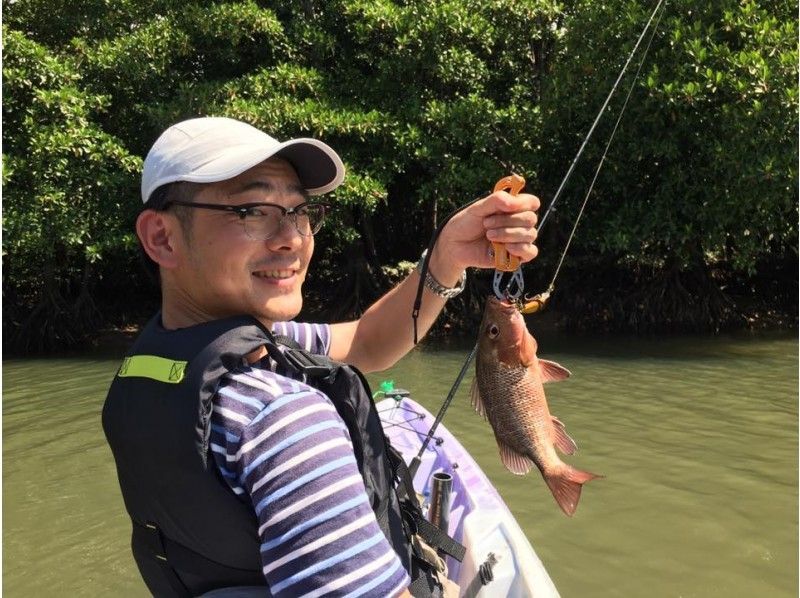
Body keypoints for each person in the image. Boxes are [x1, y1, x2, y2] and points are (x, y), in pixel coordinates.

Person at [102, 116, 539, 598]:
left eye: (298, 210)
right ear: (162, 237)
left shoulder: (161, 362)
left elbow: (369, 341)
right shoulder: (280, 418)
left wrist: (447, 256)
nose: (293, 237)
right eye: (253, 210)